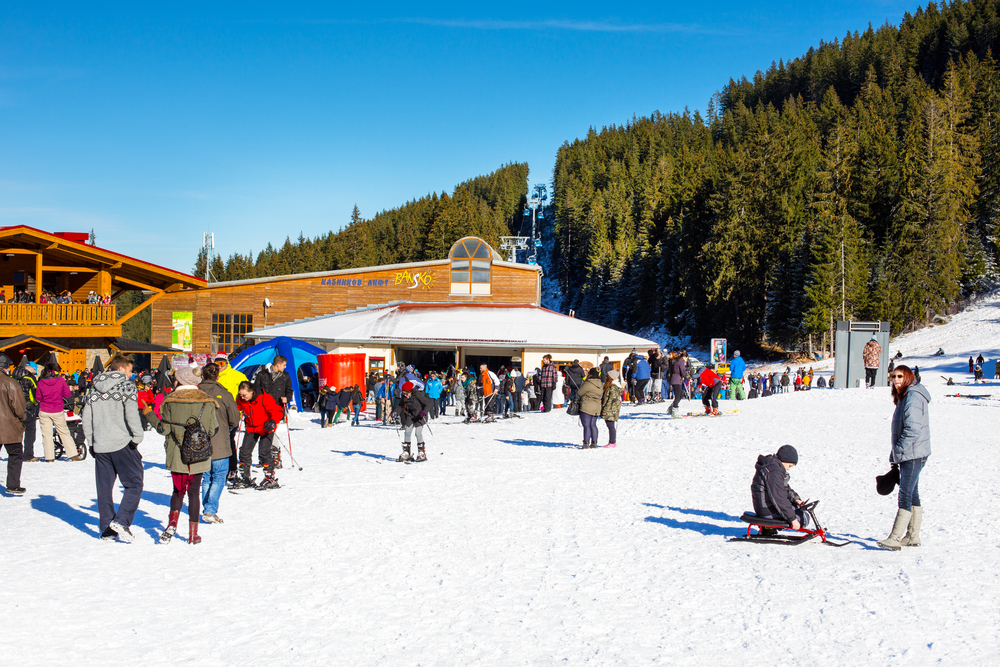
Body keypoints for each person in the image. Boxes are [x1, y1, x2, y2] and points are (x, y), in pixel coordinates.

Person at [143, 366, 219, 545]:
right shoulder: (208, 401)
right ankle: (193, 534)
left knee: (178, 491)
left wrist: (149, 415)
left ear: (180, 380)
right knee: (194, 493)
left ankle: (172, 523)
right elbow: (212, 430)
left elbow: (164, 429)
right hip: (199, 454)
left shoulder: (170, 401)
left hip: (177, 453)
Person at [83, 355, 145, 542]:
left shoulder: (94, 388)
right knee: (134, 484)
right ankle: (121, 520)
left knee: (104, 488)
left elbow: (86, 418)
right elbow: (131, 412)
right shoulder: (126, 385)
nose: (131, 374)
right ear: (121, 369)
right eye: (129, 370)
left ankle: (107, 531)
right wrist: (138, 436)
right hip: (122, 442)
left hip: (101, 443)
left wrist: (91, 442)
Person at [878, 365, 930, 551]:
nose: (896, 379)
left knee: (905, 494)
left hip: (913, 453)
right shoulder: (906, 396)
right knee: (912, 493)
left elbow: (913, 430)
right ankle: (913, 536)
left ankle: (895, 538)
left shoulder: (913, 397)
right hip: (913, 453)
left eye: (900, 376)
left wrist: (898, 450)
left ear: (908, 377)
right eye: (894, 376)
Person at [198, 362, 240, 525]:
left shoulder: (196, 392)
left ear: (202, 376)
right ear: (217, 376)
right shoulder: (224, 393)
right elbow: (235, 419)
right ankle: (210, 509)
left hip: (199, 440)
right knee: (219, 476)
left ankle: (207, 507)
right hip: (219, 438)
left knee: (207, 476)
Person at [234, 380, 284, 490]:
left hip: (266, 428)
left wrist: (273, 421)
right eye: (240, 395)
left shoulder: (264, 398)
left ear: (251, 391)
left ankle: (269, 477)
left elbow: (278, 411)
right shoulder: (241, 400)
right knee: (244, 451)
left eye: (244, 395)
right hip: (252, 428)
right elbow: (236, 409)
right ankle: (245, 478)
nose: (242, 397)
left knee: (264, 452)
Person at [751, 445, 809, 533]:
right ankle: (768, 527)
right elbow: (778, 497)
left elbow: (783, 487)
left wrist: (796, 499)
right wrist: (792, 519)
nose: (788, 468)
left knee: (799, 509)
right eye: (789, 465)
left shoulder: (774, 466)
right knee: (804, 518)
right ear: (784, 460)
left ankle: (768, 528)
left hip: (767, 506)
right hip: (767, 510)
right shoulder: (774, 471)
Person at [36, 362, 80, 462]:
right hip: (57, 409)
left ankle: (49, 457)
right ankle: (73, 454)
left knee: (47, 435)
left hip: (44, 410)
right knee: (64, 432)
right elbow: (67, 394)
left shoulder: (41, 381)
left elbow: (38, 396)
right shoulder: (60, 380)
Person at [0, 353, 27, 495]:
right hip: (9, 425)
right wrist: (22, 417)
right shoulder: (10, 383)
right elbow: (19, 407)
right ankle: (13, 485)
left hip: (6, 424)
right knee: (15, 454)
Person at [397, 381, 433, 462]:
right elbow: (400, 406)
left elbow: (428, 403)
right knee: (407, 432)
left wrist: (423, 412)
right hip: (411, 415)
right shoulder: (404, 397)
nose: (405, 395)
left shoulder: (417, 395)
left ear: (411, 392)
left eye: (407, 393)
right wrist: (395, 412)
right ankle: (407, 452)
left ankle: (421, 452)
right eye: (404, 393)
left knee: (418, 433)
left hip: (420, 415)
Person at [14, 361, 39, 462]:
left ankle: (15, 454)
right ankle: (28, 455)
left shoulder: (12, 376)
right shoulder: (30, 378)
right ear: (32, 369)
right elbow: (36, 392)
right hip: (28, 407)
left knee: (15, 432)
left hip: (14, 407)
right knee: (30, 431)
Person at [576, 368, 603, 449]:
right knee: (593, 425)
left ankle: (586, 443)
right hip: (596, 406)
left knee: (586, 425)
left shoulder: (588, 383)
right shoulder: (600, 383)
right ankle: (594, 443)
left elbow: (579, 393)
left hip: (587, 406)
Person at [600, 369, 622, 448]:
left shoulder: (613, 387)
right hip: (612, 409)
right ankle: (612, 442)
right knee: (610, 425)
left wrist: (605, 410)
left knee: (611, 426)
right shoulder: (613, 386)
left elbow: (611, 400)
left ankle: (612, 442)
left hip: (611, 409)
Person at [667, 351, 687, 418]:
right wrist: (687, 377)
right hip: (676, 379)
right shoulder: (681, 361)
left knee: (680, 394)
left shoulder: (675, 361)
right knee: (678, 395)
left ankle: (672, 407)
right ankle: (674, 410)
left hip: (675, 378)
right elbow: (682, 370)